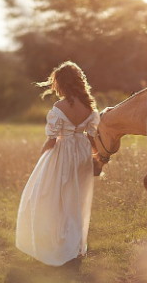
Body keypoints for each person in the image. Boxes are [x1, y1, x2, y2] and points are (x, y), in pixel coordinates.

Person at [15, 61, 100, 266]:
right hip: (82, 154)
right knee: (76, 201)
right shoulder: (89, 105)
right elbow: (92, 137)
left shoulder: (59, 107)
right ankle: (75, 246)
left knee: (51, 198)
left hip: (63, 154)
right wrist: (97, 158)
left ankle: (57, 245)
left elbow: (52, 139)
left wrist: (43, 157)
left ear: (61, 83)